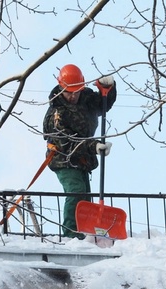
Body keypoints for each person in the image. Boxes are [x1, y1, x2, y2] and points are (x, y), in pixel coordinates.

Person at [43, 64, 117, 238]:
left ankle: (85, 233)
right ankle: (70, 234)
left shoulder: (85, 97)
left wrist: (108, 88)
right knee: (76, 190)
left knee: (85, 196)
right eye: (69, 92)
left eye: (77, 91)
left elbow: (102, 105)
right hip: (63, 158)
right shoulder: (56, 113)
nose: (74, 96)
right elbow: (68, 142)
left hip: (83, 160)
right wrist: (94, 146)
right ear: (61, 88)